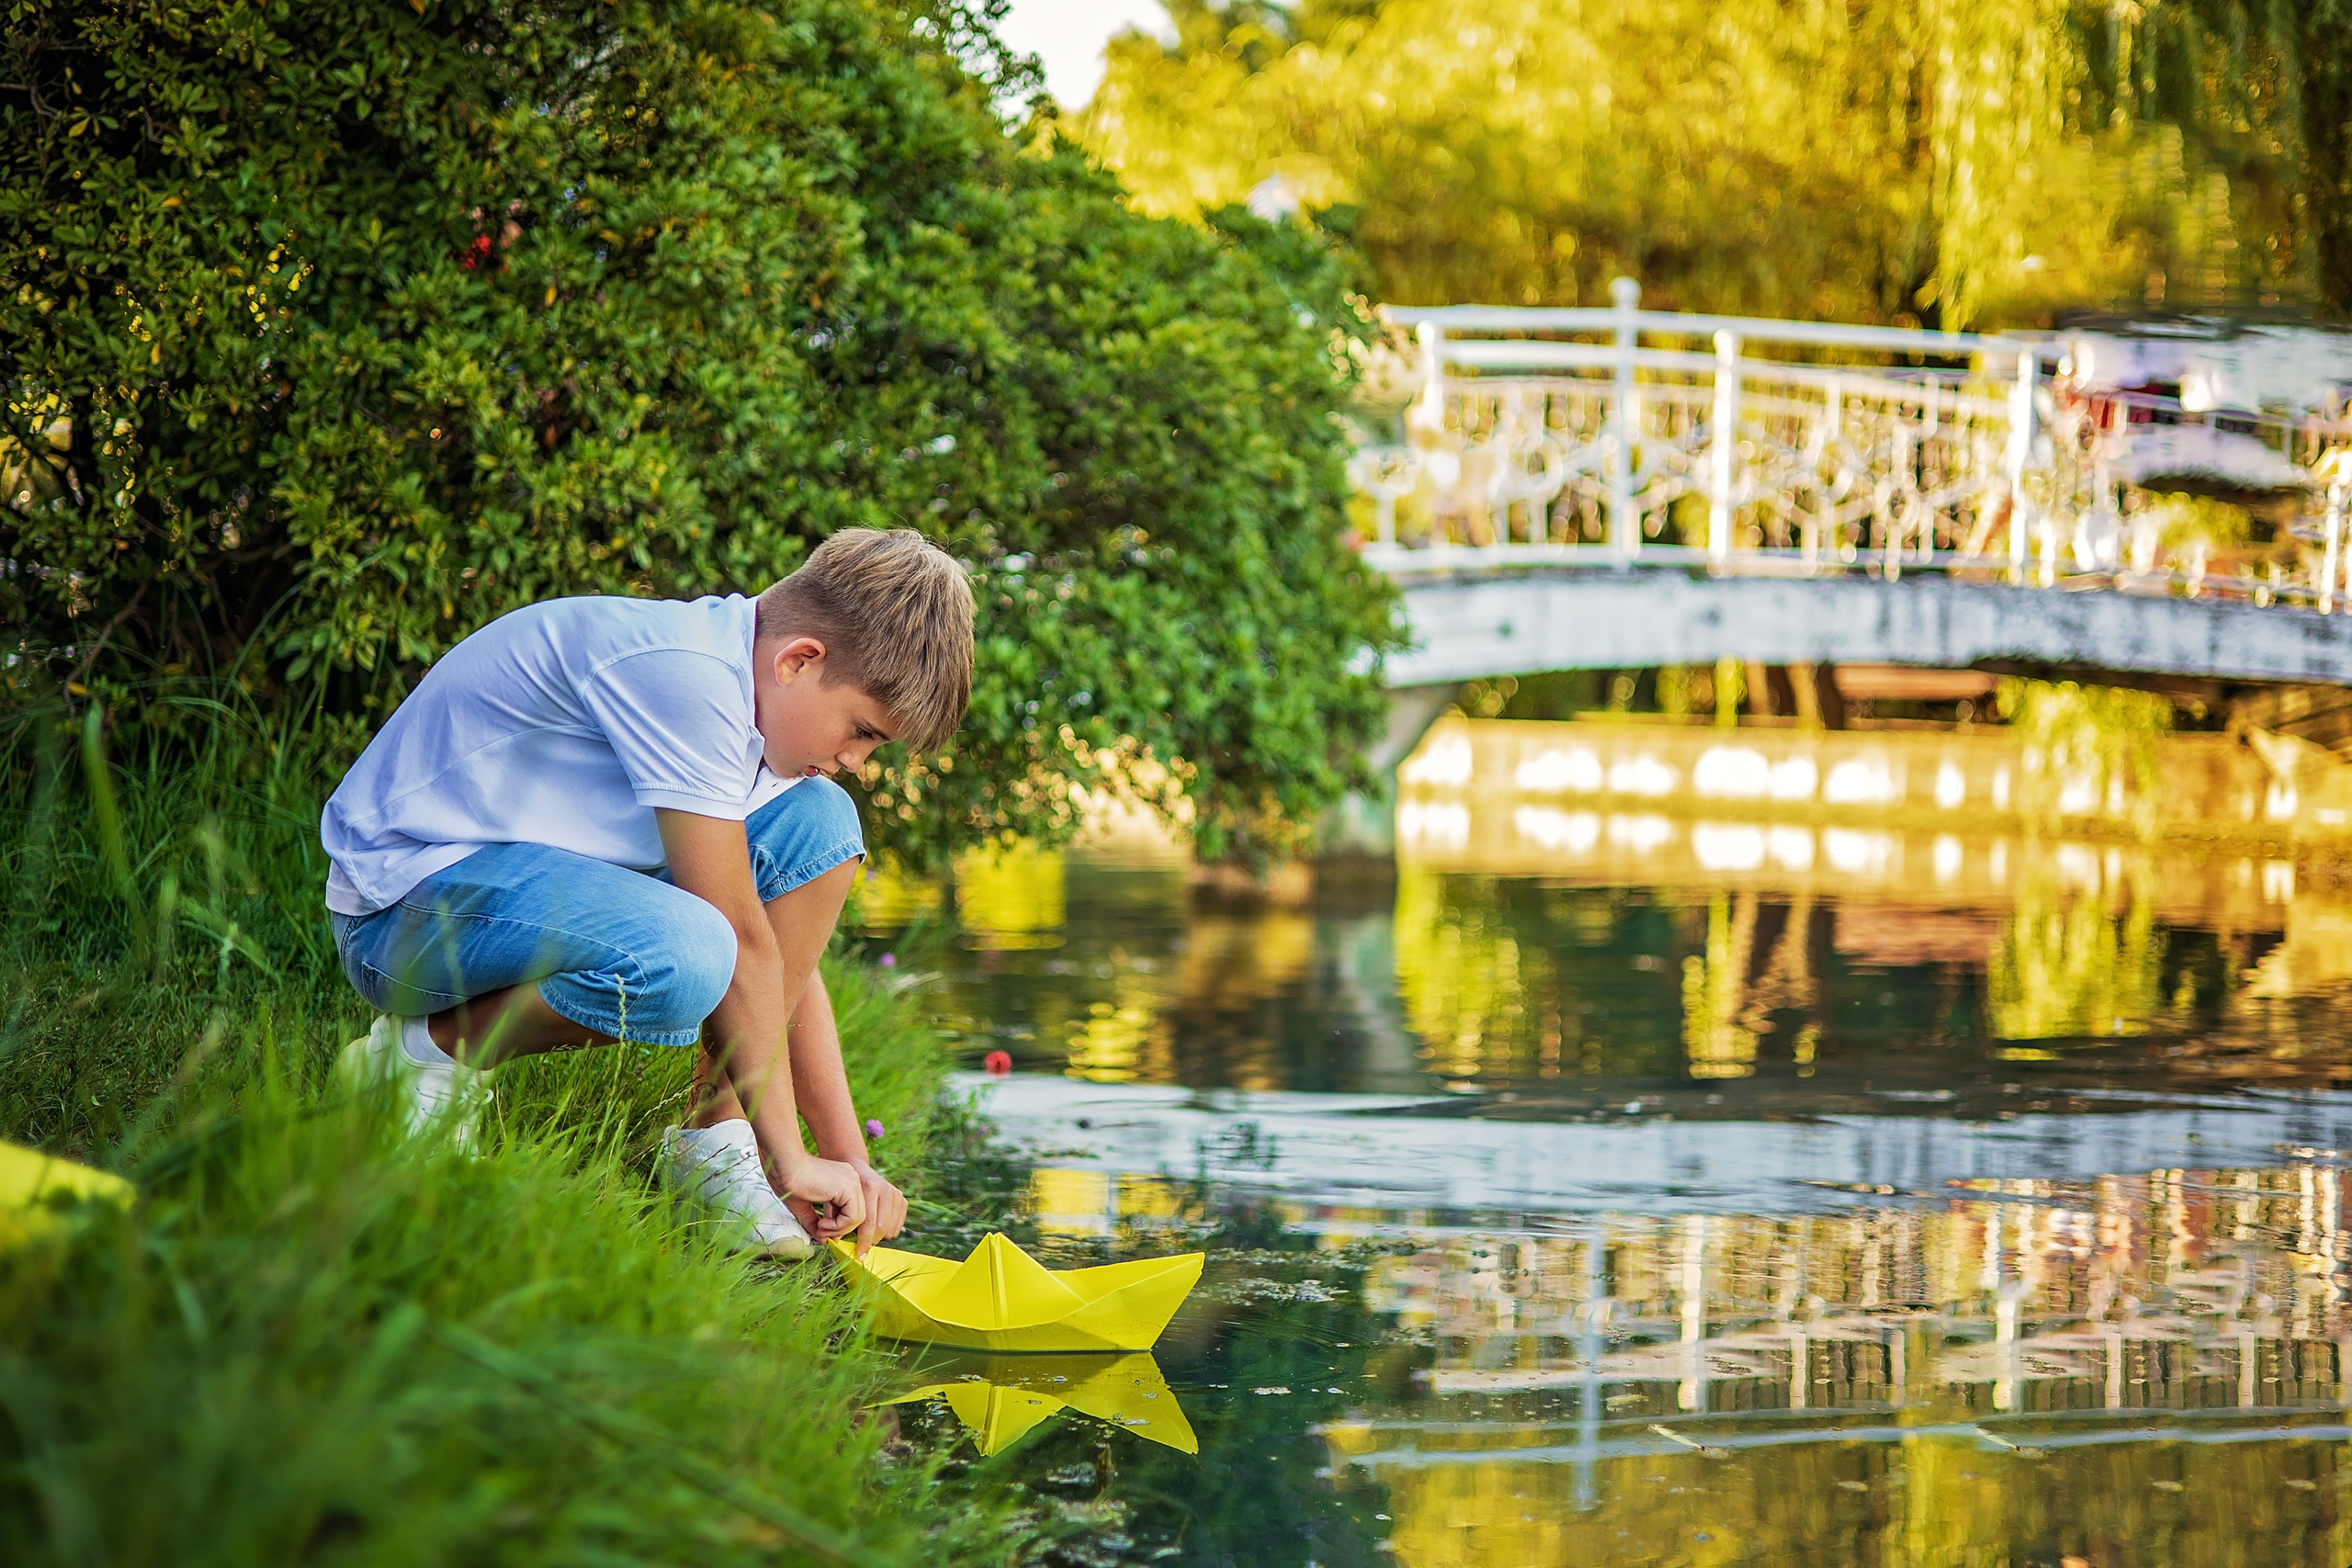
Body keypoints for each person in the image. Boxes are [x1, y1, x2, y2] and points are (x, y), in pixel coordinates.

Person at [319, 527, 973, 1259]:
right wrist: (793, 1158)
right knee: (689, 956)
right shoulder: (689, 679)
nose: (856, 758)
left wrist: (850, 1158)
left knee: (821, 827)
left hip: (514, 890)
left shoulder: (751, 700)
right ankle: (422, 1058)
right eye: (862, 731)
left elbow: (778, 956)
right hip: (401, 912)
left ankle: (715, 1139)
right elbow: (738, 939)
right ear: (799, 660)